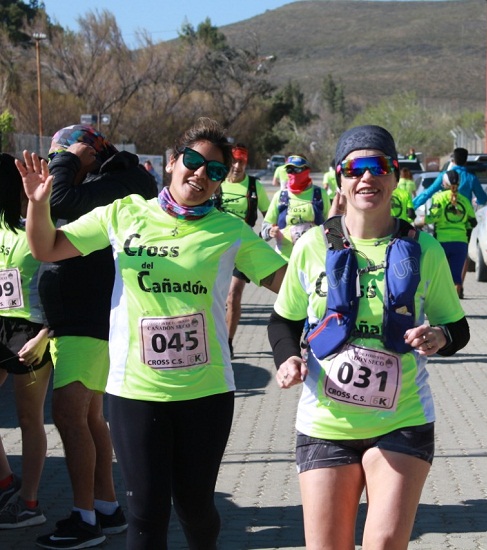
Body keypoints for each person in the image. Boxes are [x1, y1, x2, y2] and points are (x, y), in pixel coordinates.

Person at [17, 117, 287, 550]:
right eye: (194, 163)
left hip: (206, 390)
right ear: (171, 163)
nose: (201, 175)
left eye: (214, 171)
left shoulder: (230, 231)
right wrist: (37, 203)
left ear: (221, 182)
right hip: (137, 392)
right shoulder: (125, 212)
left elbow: (287, 285)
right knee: (146, 512)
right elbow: (47, 247)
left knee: (197, 509)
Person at [267, 124, 470, 549]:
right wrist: (287, 359)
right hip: (325, 421)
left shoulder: (424, 249)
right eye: (355, 169)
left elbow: (458, 327)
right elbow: (282, 321)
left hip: (402, 419)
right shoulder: (312, 246)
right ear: (339, 178)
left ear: (395, 176)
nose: (367, 178)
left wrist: (438, 336)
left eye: (379, 167)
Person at [34, 125, 158, 550]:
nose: (57, 166)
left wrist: (69, 161)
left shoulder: (118, 184)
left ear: (90, 151)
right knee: (88, 418)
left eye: (61, 157)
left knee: (69, 416)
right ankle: (105, 508)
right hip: (78, 318)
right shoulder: (111, 181)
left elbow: (62, 200)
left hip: (89, 319)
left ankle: (83, 518)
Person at [0, 154, 52, 530]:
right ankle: (6, 484)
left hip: (31, 333)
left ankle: (29, 502)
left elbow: (63, 286)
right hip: (0, 329)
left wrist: (45, 334)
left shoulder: (37, 229)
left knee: (28, 420)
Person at [218, 143, 270, 357]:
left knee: (233, 295)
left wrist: (270, 232)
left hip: (242, 249)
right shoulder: (217, 183)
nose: (237, 166)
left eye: (242, 161)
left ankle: (228, 343)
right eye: (234, 161)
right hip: (217, 248)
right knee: (215, 298)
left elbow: (270, 215)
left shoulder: (254, 186)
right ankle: (216, 338)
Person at [260, 154, 330, 260]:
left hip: (313, 258)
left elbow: (331, 224)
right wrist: (270, 231)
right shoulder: (280, 196)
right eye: (289, 170)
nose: (292, 174)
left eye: (296, 170)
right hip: (285, 258)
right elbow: (265, 227)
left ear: (307, 170)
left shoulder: (320, 194)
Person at [420, 170, 476, 299]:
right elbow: (473, 222)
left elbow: (433, 217)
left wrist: (422, 221)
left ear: (444, 183)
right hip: (460, 243)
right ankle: (455, 305)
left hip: (441, 242)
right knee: (456, 276)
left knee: (438, 275)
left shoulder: (438, 198)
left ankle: (439, 303)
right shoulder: (465, 200)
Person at [412, 147, 487, 210]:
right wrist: (476, 201)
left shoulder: (444, 176)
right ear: (465, 161)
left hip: (445, 217)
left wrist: (411, 207)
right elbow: (483, 199)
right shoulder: (471, 178)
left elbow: (427, 193)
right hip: (463, 219)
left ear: (453, 160)